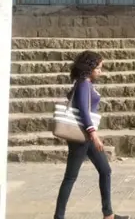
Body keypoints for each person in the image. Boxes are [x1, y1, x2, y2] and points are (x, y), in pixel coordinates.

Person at [54, 50, 129, 219]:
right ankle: (58, 217)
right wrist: (93, 134)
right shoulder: (83, 83)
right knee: (70, 177)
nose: (100, 72)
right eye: (98, 68)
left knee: (105, 170)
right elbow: (83, 111)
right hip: (82, 138)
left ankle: (108, 214)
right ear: (89, 67)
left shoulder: (84, 83)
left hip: (86, 137)